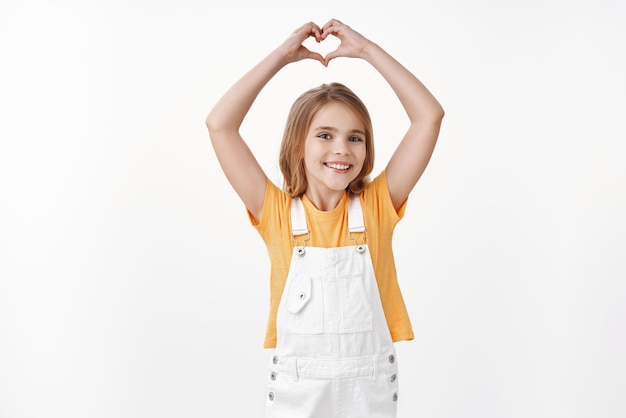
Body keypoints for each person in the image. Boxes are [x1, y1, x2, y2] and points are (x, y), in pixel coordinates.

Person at [206, 18, 443, 418]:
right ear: (298, 145)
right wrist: (282, 56)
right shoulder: (276, 213)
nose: (342, 149)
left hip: (367, 394)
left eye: (355, 137)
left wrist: (367, 50)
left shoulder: (377, 207)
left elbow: (429, 116)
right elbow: (220, 125)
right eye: (325, 135)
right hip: (298, 394)